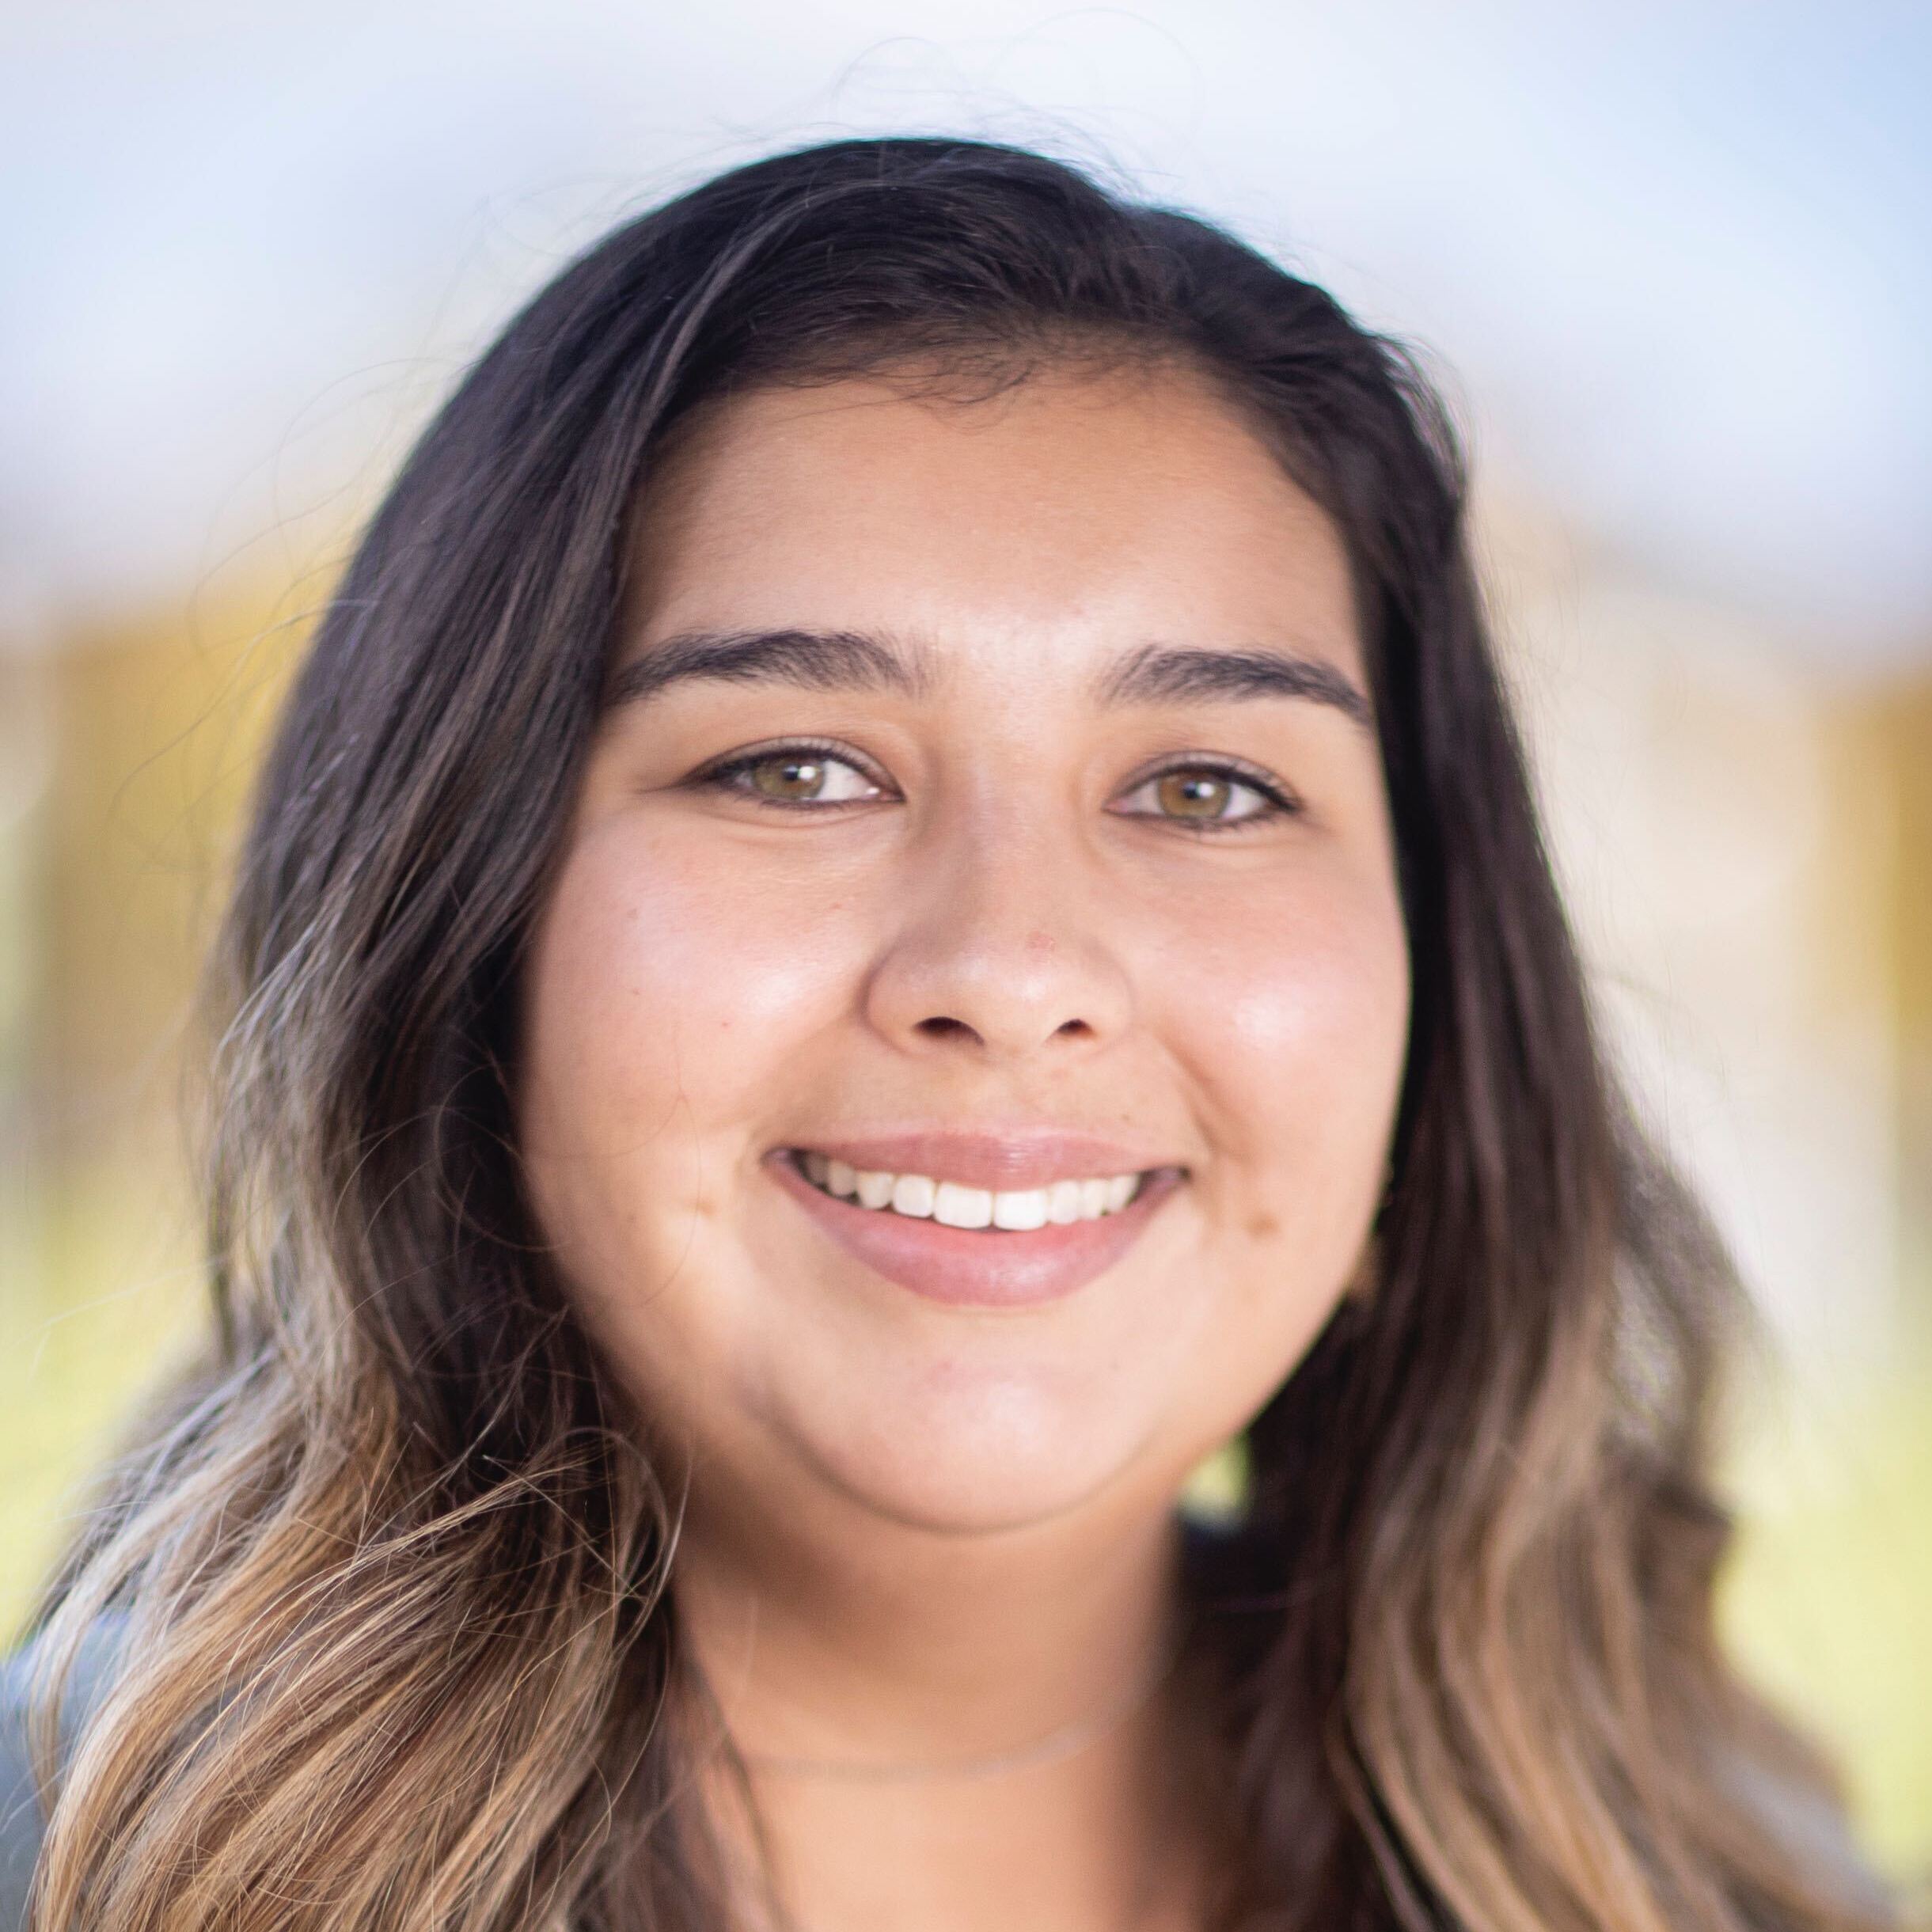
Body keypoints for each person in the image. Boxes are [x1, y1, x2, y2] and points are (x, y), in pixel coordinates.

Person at [0, 136, 1896, 1932]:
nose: (1009, 963)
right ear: (464, 926)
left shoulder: (1733, 1881)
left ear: (1441, 981)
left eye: (1209, 788)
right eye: (797, 766)